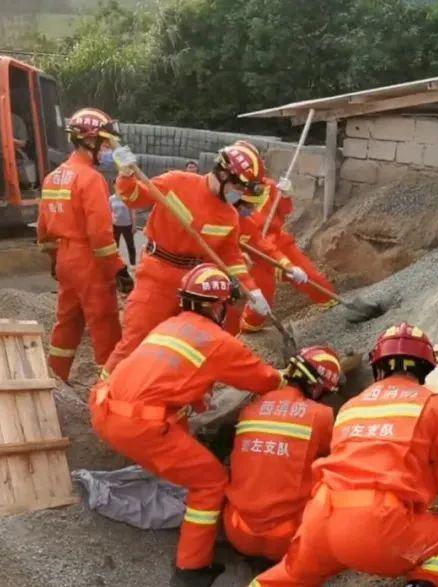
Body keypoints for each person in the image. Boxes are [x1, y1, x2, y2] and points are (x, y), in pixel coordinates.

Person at [90, 263, 284, 587]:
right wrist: (295, 377)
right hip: (140, 426)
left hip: (104, 408)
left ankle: (175, 481)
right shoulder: (219, 343)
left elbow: (164, 372)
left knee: (181, 430)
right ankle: (191, 569)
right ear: (219, 305)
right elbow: (265, 380)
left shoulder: (169, 325)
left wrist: (195, 398)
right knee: (210, 482)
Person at [252, 323, 438, 587]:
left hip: (319, 519)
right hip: (376, 525)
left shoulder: (350, 407)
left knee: (287, 576)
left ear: (378, 367)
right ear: (426, 368)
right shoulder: (436, 406)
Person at [100, 144, 272, 376]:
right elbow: (134, 197)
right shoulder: (177, 182)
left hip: (193, 287)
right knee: (135, 342)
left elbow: (230, 258)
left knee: (182, 349)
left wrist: (253, 291)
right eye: (239, 187)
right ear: (222, 173)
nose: (239, 194)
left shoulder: (229, 216)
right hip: (156, 276)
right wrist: (126, 174)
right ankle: (103, 392)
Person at [36, 107, 134, 382]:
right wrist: (118, 270)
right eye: (104, 144)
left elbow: (43, 228)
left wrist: (55, 259)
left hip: (65, 259)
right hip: (88, 260)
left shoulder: (53, 177)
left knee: (67, 320)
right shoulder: (91, 179)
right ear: (88, 141)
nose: (107, 150)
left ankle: (55, 378)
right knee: (104, 323)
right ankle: (111, 386)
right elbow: (101, 236)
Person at [224, 346, 339, 564]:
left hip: (236, 531)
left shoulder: (250, 408)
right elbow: (334, 458)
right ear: (316, 388)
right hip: (287, 539)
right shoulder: (320, 415)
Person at [231, 141, 339, 333]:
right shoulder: (232, 196)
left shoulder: (270, 187)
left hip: (278, 241)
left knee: (312, 277)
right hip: (253, 252)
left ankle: (336, 315)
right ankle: (248, 334)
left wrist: (287, 195)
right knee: (262, 301)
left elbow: (285, 211)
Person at [109, 192, 137, 265]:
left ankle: (133, 264)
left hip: (127, 226)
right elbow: (109, 211)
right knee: (115, 246)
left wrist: (134, 226)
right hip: (115, 226)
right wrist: (111, 221)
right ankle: (115, 264)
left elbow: (133, 212)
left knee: (130, 245)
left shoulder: (128, 198)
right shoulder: (111, 199)